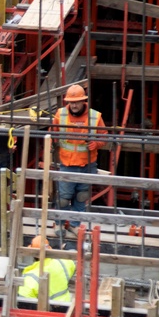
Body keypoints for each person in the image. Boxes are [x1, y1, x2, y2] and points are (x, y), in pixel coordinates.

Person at [52, 84, 107, 239]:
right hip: (67, 164)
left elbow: (104, 135)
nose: (74, 105)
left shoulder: (95, 117)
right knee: (63, 197)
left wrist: (96, 143)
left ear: (84, 101)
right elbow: (53, 134)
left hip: (88, 164)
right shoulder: (60, 115)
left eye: (77, 102)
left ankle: (75, 225)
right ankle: (59, 223)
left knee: (81, 197)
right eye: (71, 102)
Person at [17, 235, 76, 304]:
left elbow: (23, 302)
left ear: (33, 255)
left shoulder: (30, 277)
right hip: (66, 306)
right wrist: (66, 246)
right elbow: (74, 255)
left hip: (46, 312)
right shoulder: (62, 263)